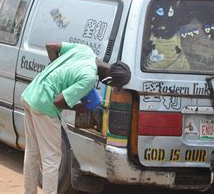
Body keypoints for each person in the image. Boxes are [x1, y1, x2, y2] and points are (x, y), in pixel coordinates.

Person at [21, 42, 131, 194]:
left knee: (32, 152)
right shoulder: (89, 78)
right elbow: (58, 101)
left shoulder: (85, 50)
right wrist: (78, 107)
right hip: (44, 105)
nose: (110, 87)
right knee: (52, 159)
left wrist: (58, 76)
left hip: (30, 93)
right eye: (112, 85)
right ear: (109, 79)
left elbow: (50, 46)